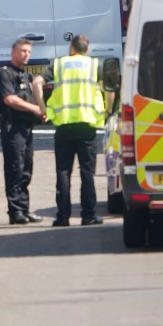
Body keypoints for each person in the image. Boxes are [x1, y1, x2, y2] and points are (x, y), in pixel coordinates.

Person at [38, 34, 106, 226]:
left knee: (63, 172)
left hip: (64, 126)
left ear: (71, 47)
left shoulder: (59, 64)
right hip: (87, 126)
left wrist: (43, 109)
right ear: (87, 49)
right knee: (87, 172)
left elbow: (37, 82)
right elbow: (111, 87)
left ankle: (62, 217)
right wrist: (108, 110)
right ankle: (88, 215)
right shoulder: (94, 65)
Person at [0, 39, 46, 225]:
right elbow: (10, 99)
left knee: (26, 169)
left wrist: (41, 112)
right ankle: (15, 212)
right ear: (13, 51)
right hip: (13, 128)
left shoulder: (25, 76)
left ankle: (24, 209)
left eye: (29, 52)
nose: (26, 54)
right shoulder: (5, 74)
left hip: (26, 128)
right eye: (23, 51)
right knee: (15, 168)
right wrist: (34, 109)